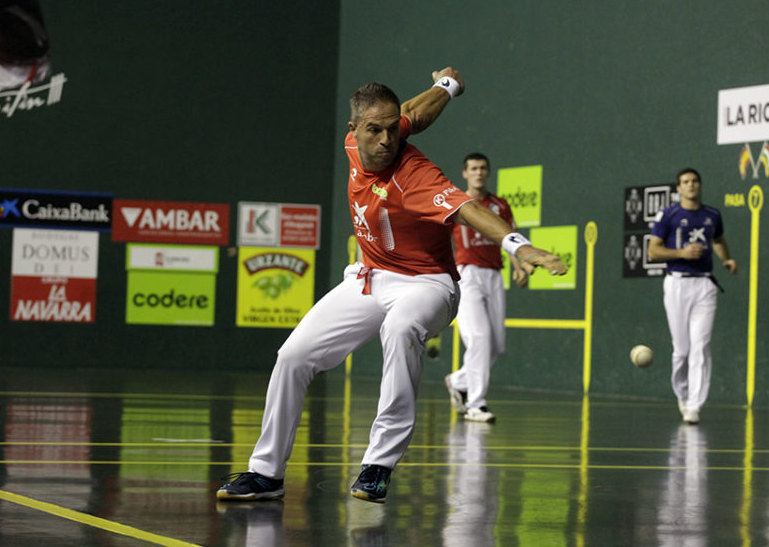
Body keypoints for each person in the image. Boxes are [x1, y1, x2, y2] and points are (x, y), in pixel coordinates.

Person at [217, 67, 567, 504]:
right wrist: (446, 87)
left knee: (400, 328)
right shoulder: (359, 142)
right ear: (354, 130)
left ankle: (378, 465)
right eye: (375, 130)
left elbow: (469, 210)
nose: (387, 140)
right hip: (369, 276)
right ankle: (266, 473)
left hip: (428, 284)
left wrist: (520, 246)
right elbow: (415, 112)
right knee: (292, 356)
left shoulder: (414, 175)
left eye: (391, 131)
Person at [647, 168, 738, 424]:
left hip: (705, 285)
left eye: (695, 181)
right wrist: (681, 254)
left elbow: (717, 240)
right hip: (677, 284)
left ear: (700, 185)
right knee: (682, 350)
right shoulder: (668, 215)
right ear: (679, 188)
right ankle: (683, 395)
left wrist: (726, 259)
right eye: (686, 182)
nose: (691, 185)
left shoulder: (712, 215)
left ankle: (695, 405)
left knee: (701, 345)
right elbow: (653, 252)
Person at [444, 153, 527, 423]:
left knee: (496, 346)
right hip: (467, 274)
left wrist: (519, 267)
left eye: (482, 168)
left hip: (494, 275)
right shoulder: (456, 203)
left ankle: (459, 381)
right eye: (473, 168)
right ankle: (476, 404)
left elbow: (509, 237)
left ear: (488, 172)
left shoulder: (500, 205)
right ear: (465, 173)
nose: (478, 172)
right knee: (479, 338)